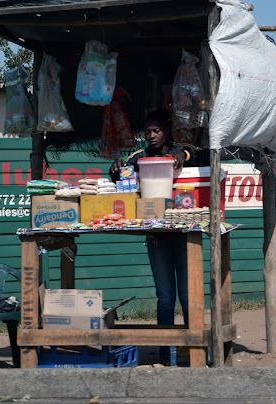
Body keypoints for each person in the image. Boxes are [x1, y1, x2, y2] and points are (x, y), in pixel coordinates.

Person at [110, 109, 208, 361]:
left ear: (167, 132)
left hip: (184, 234)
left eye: (157, 131)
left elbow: (198, 154)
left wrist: (182, 155)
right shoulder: (140, 157)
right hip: (157, 237)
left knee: (188, 297)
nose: (151, 136)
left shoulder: (180, 151)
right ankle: (166, 352)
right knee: (165, 298)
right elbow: (118, 174)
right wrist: (116, 167)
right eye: (148, 132)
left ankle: (192, 349)